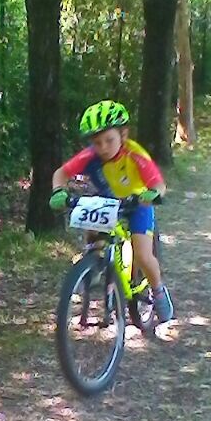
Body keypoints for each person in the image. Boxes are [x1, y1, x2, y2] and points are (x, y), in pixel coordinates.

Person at [49, 100, 174, 324]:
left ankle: (158, 291)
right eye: (97, 142)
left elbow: (158, 183)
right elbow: (61, 173)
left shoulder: (135, 155)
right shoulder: (90, 156)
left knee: (143, 255)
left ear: (123, 135)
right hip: (108, 202)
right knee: (92, 230)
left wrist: (154, 194)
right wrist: (58, 191)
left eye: (109, 140)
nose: (103, 147)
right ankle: (94, 264)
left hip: (138, 204)